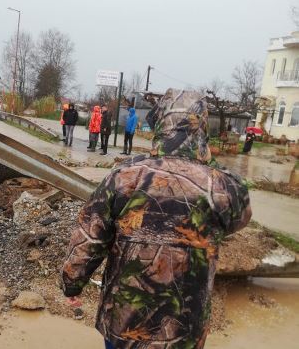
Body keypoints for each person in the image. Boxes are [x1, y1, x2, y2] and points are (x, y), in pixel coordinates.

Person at [62, 89, 252, 349]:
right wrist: (205, 159)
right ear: (202, 126)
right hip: (185, 329)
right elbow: (238, 219)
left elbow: (90, 236)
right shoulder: (220, 186)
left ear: (161, 122)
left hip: (124, 324)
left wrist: (72, 283)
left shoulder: (125, 177)